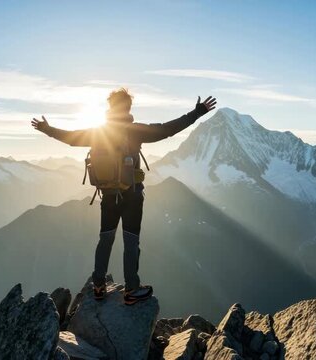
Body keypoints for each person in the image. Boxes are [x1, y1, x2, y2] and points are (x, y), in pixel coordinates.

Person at [31, 88, 216, 305]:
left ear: (110, 107)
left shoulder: (97, 132)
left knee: (105, 239)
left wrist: (47, 129)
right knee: (131, 242)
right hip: (132, 196)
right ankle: (131, 290)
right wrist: (197, 112)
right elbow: (168, 129)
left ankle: (98, 286)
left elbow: (70, 138)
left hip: (108, 195)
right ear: (128, 108)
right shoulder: (135, 131)